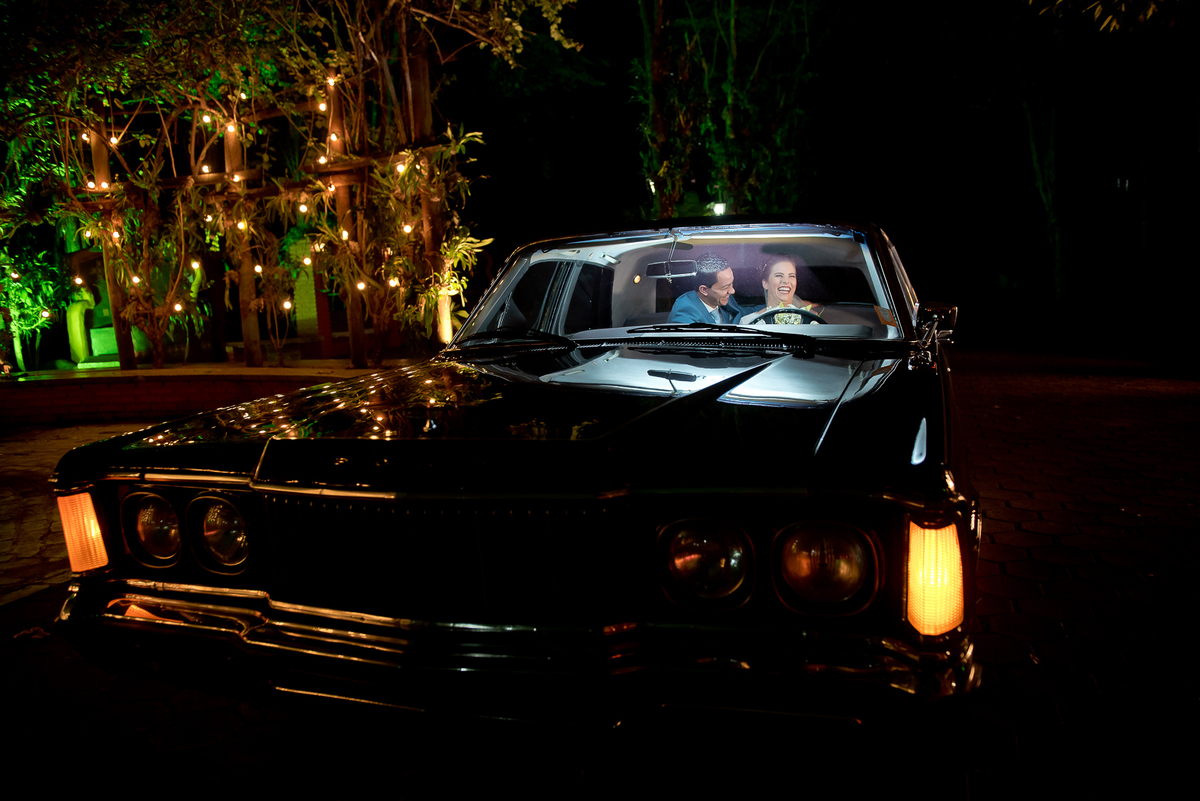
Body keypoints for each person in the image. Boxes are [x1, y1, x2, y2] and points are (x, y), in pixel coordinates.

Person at [740, 255, 825, 325]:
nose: (786, 281)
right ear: (765, 283)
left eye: (791, 276)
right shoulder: (748, 322)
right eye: (779, 275)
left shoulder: (810, 321)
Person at [666, 252, 744, 325]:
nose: (732, 291)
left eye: (731, 283)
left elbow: (740, 312)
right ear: (704, 290)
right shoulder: (684, 314)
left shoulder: (723, 297)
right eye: (725, 287)